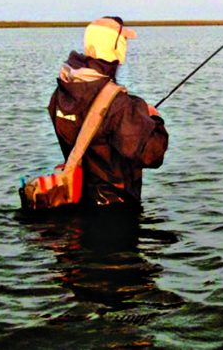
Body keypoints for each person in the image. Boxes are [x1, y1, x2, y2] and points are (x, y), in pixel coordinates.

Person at [47, 16, 169, 210]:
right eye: (124, 41)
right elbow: (152, 156)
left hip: (77, 198)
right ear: (116, 47)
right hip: (114, 208)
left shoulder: (62, 91)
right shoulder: (119, 104)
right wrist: (154, 119)